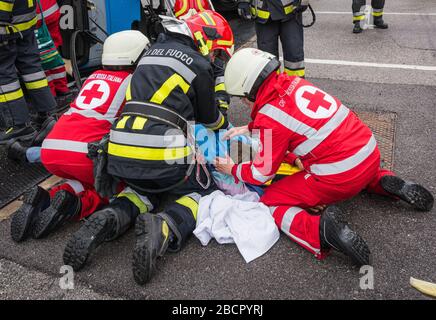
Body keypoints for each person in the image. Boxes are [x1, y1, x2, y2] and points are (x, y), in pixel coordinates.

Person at [215, 48, 434, 266]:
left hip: (340, 176)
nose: (245, 104)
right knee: (356, 168)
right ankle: (380, 181)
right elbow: (290, 121)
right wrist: (252, 127)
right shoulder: (295, 83)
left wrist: (231, 169)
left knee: (270, 201)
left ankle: (320, 231)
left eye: (243, 100)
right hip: (368, 152)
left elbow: (261, 174)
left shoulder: (270, 118)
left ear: (249, 91)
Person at [62, 11, 235, 285]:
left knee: (143, 190)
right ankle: (166, 225)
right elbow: (211, 121)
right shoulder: (199, 65)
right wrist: (222, 105)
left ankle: (111, 216)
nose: (215, 59)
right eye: (216, 53)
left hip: (120, 150)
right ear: (205, 40)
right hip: (161, 153)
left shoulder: (150, 52)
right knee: (202, 194)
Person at [8, 30, 150, 242]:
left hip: (51, 150)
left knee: (82, 180)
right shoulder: (133, 83)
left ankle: (47, 198)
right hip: (84, 155)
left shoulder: (93, 77)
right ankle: (76, 206)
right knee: (113, 186)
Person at [0, 0, 57, 143]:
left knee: (4, 76)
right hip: (25, 23)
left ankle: (18, 125)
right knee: (33, 71)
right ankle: (48, 115)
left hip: (6, 26)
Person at [237, 0, 306, 77]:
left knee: (294, 55)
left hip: (291, 11)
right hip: (263, 13)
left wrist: (304, 1)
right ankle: (272, 86)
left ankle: (296, 85)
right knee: (267, 60)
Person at [35, 0, 71, 104]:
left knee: (41, 55)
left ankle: (51, 92)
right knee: (52, 50)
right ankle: (62, 88)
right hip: (52, 10)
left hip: (36, 16)